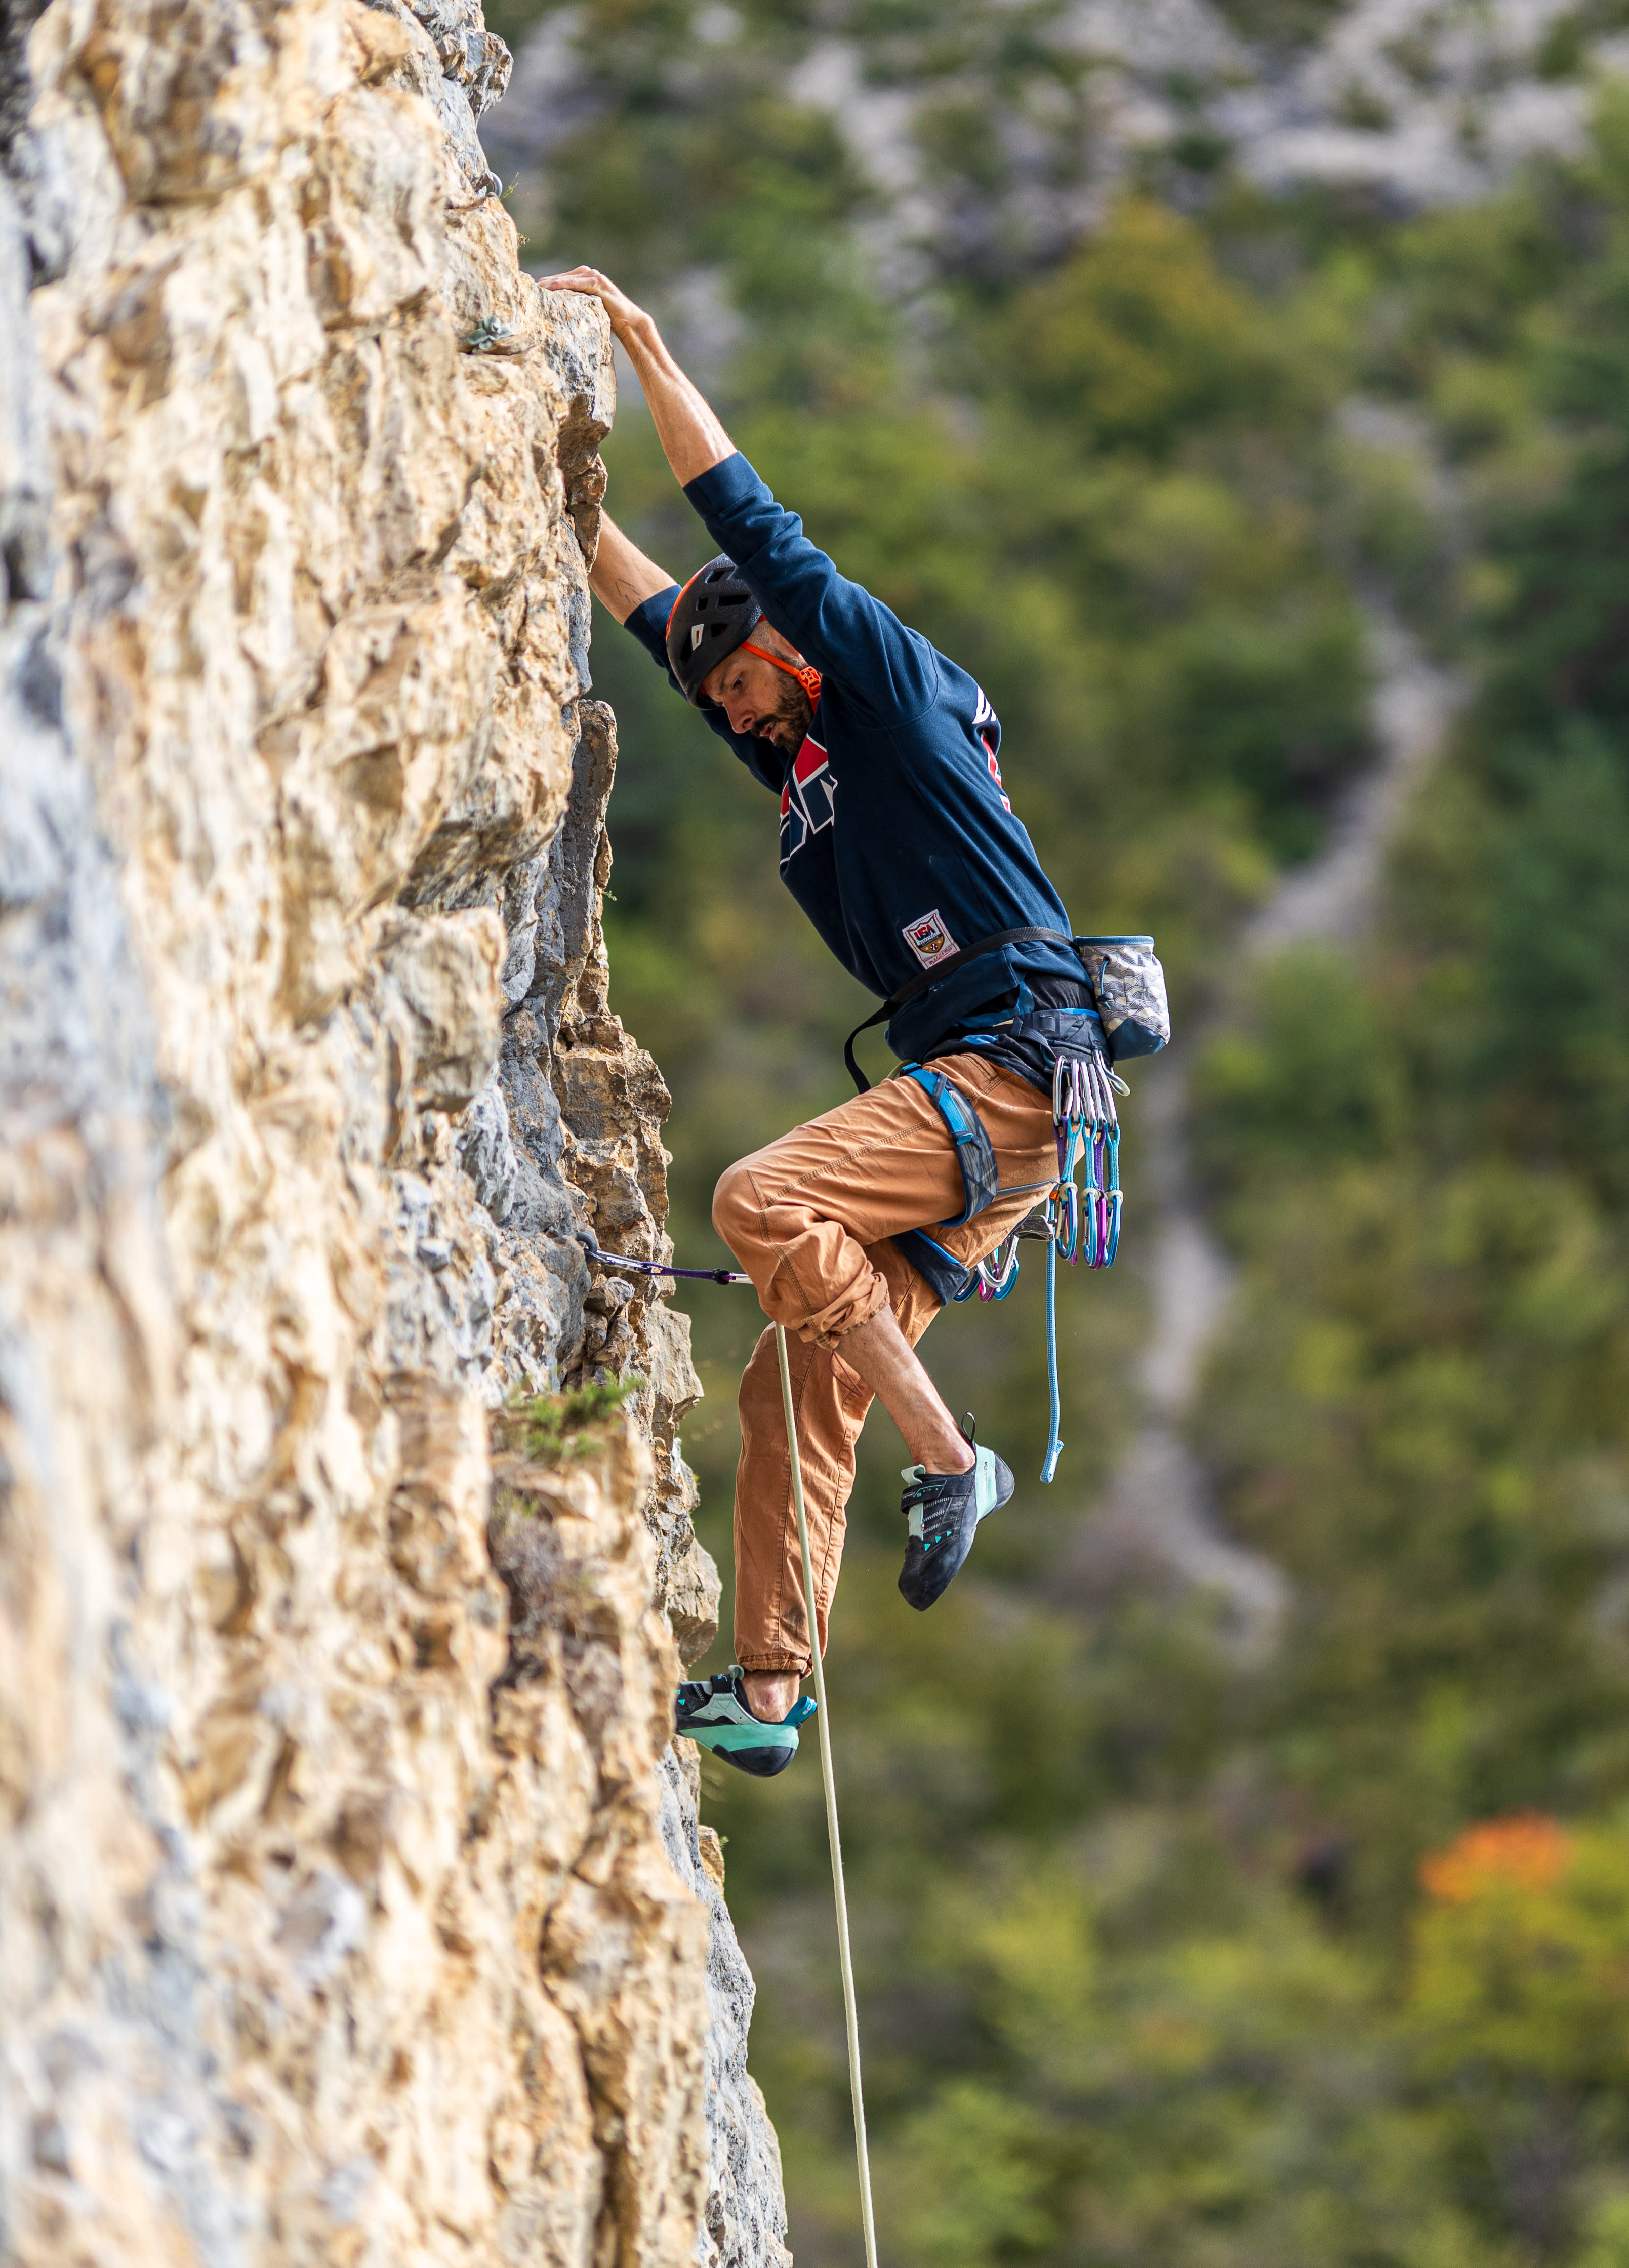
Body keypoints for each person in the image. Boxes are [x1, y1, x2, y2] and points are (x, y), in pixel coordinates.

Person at [544, 263, 1102, 1780]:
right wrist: (541, 459)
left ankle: (950, 1461)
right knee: (794, 1369)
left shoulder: (883, 689)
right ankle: (776, 1692)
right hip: (983, 1094)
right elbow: (654, 601)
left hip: (1016, 1069)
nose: (732, 713)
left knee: (762, 1199)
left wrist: (643, 348)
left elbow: (749, 530)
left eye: (742, 685)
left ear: (794, 652)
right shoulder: (798, 758)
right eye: (717, 702)